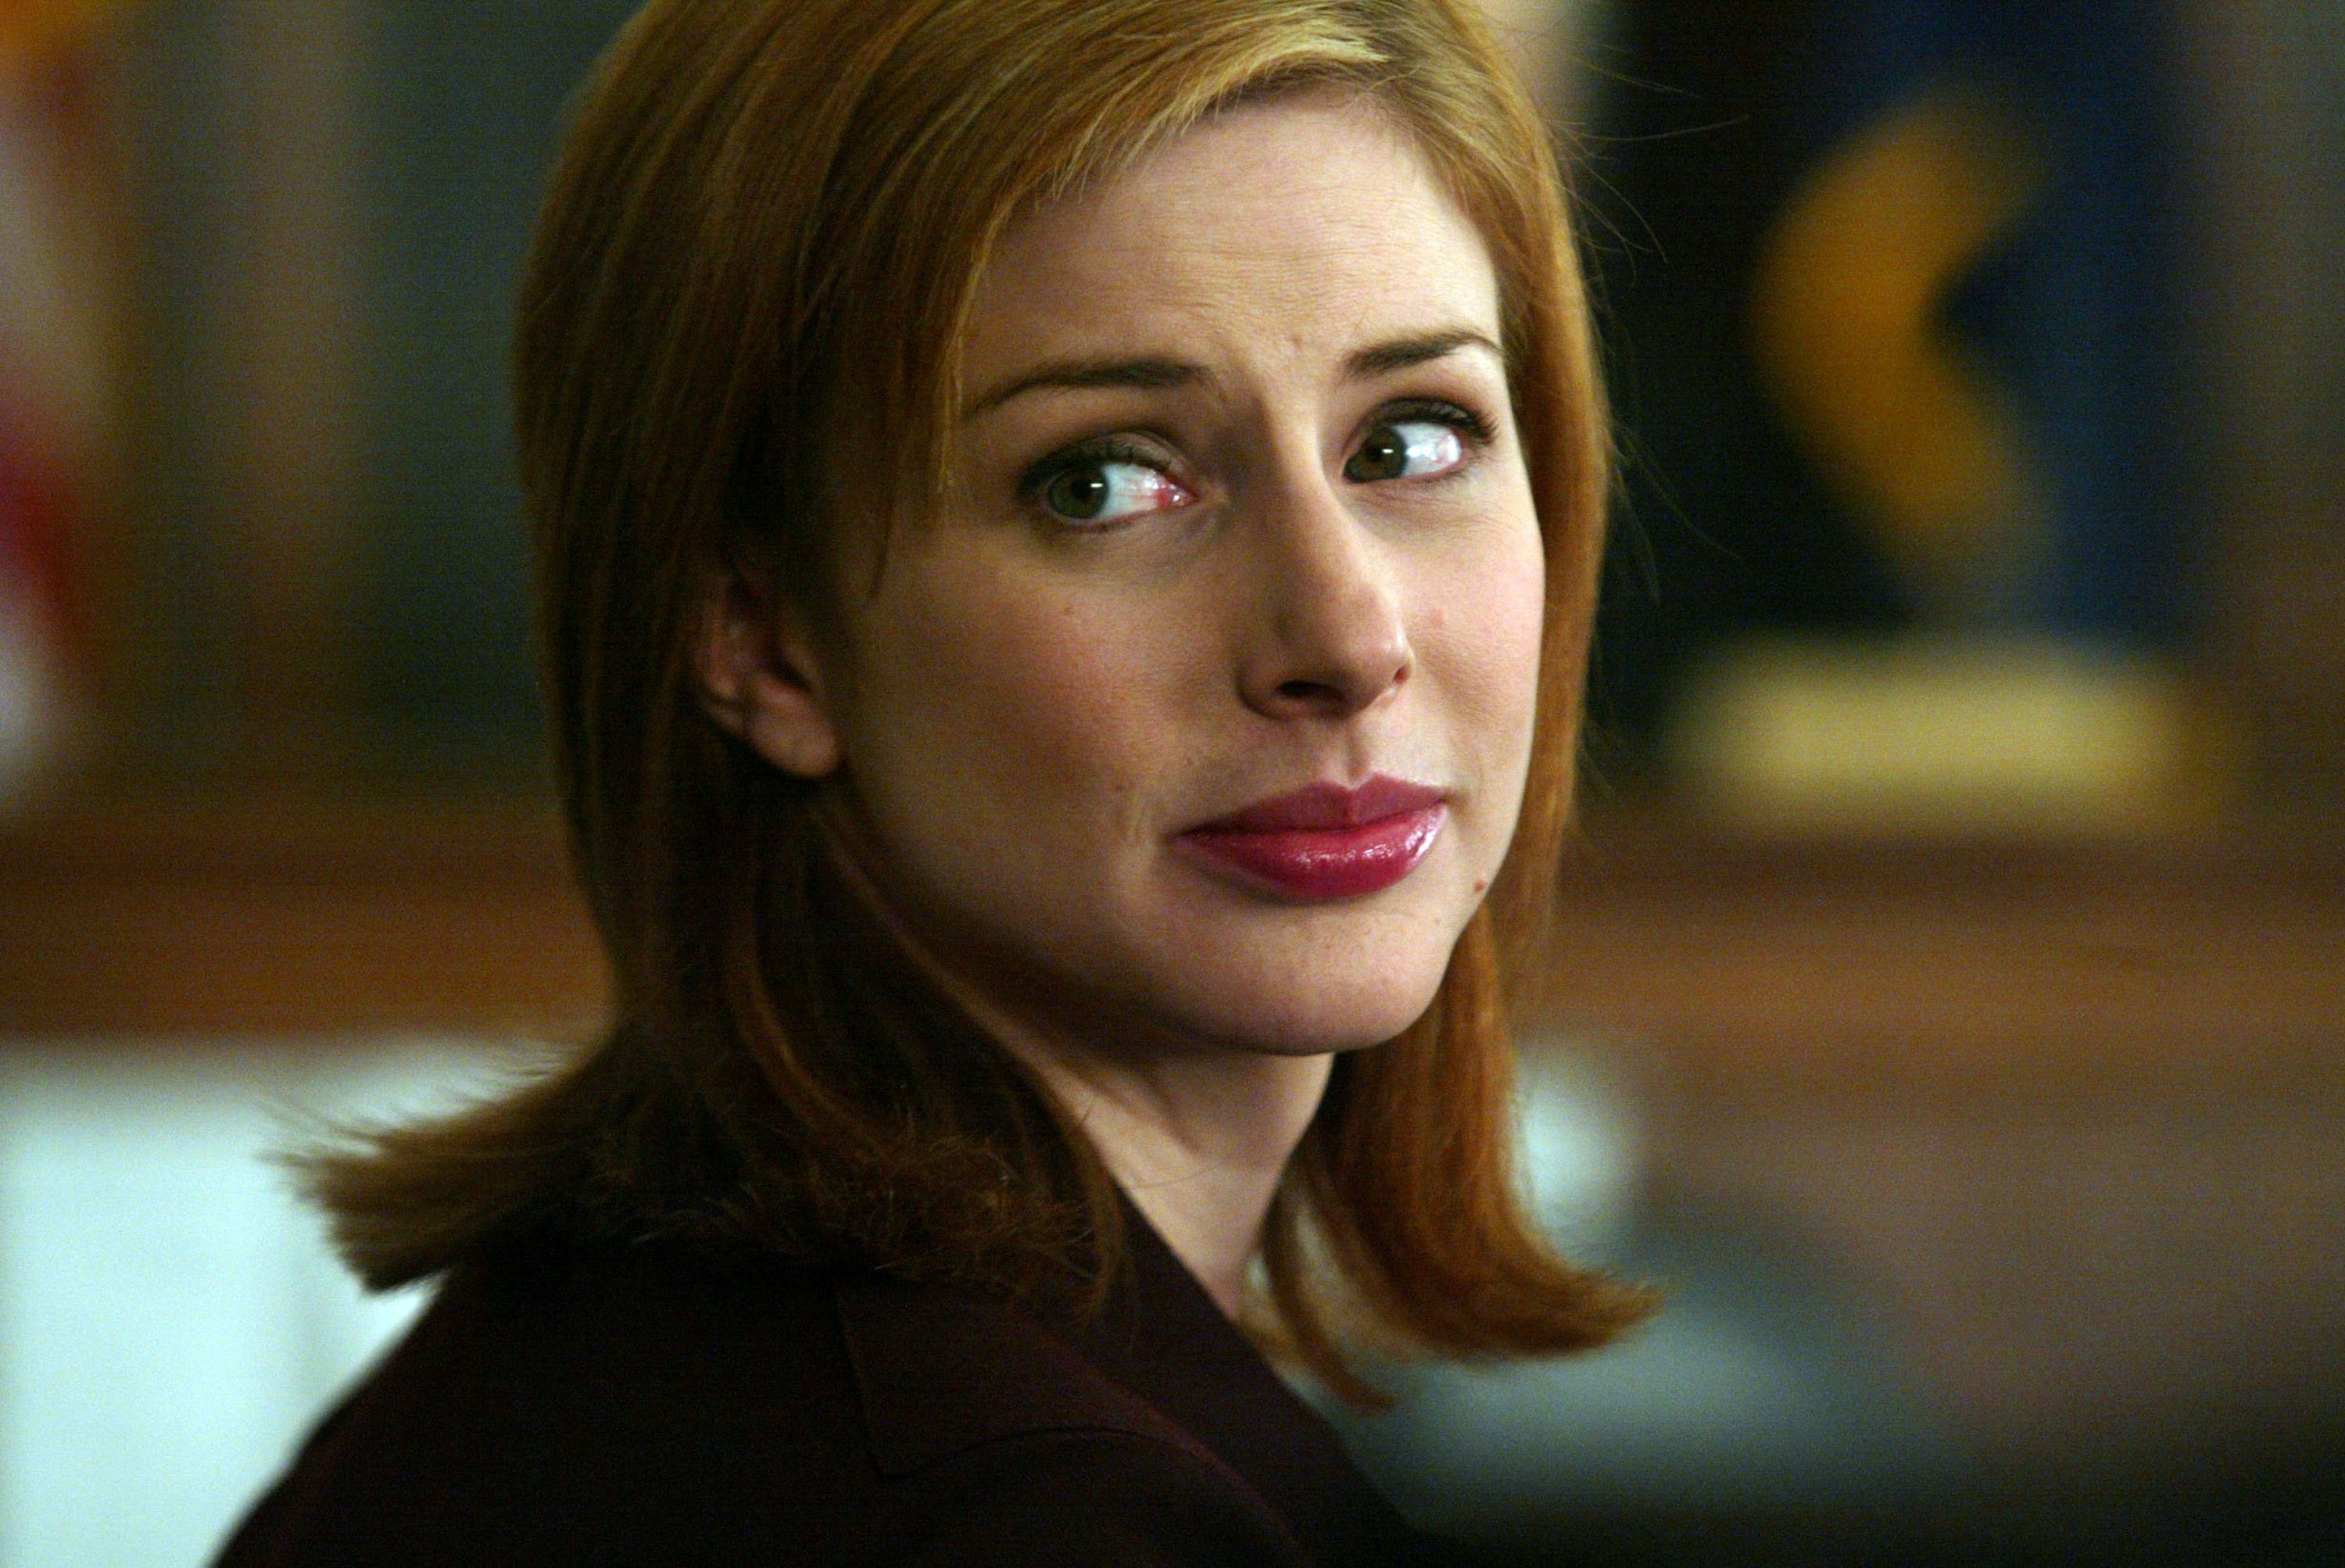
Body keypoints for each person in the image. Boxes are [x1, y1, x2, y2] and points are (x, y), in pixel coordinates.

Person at [216, 0, 1647, 1561]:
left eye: (1412, 441)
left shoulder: (602, 1334)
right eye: (1105, 480)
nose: (1348, 638)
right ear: (762, 637)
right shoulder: (1037, 1511)